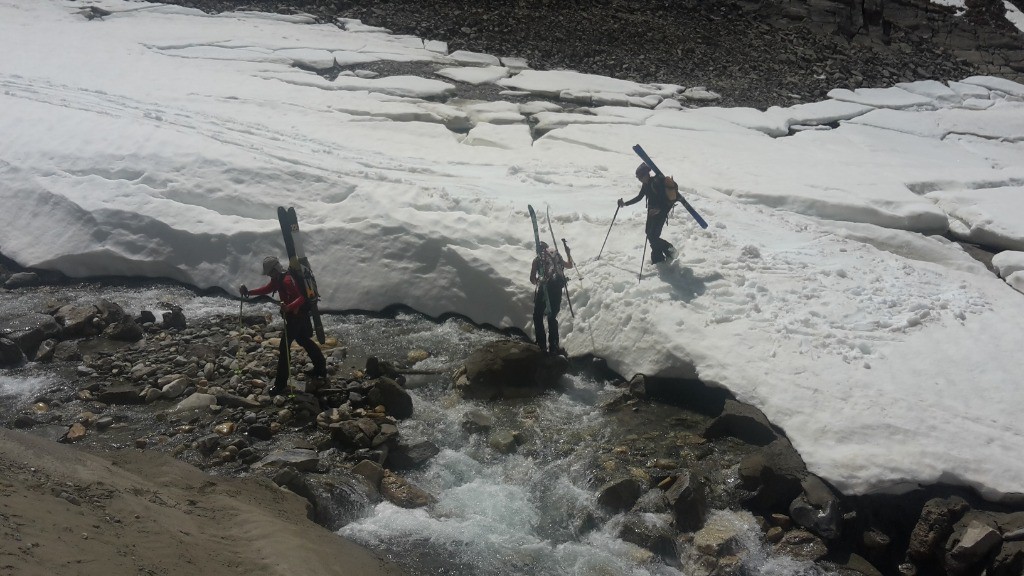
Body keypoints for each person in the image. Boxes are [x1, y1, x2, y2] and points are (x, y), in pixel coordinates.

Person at [240, 256, 326, 395]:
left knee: (284, 347)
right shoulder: (278, 279)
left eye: (269, 272)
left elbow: (301, 297)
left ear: (275, 269)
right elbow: (266, 289)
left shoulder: (286, 280)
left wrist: (289, 307)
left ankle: (280, 384)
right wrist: (249, 293)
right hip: (299, 315)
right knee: (302, 339)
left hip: (296, 317)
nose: (268, 275)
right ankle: (321, 367)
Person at [618, 162, 677, 264]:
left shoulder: (656, 182)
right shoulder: (646, 184)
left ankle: (669, 249)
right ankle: (658, 259)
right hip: (651, 213)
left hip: (660, 214)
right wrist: (625, 204)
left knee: (653, 237)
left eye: (640, 177)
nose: (640, 180)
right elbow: (639, 197)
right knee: (649, 234)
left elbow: (665, 201)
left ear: (646, 174)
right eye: (638, 178)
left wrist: (659, 210)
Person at [530, 241, 573, 355]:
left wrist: (539, 280)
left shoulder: (538, 259)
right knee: (552, 316)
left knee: (538, 315)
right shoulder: (557, 256)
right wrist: (568, 253)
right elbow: (569, 265)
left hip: (545, 289)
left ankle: (541, 344)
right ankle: (554, 346)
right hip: (557, 288)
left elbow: (532, 279)